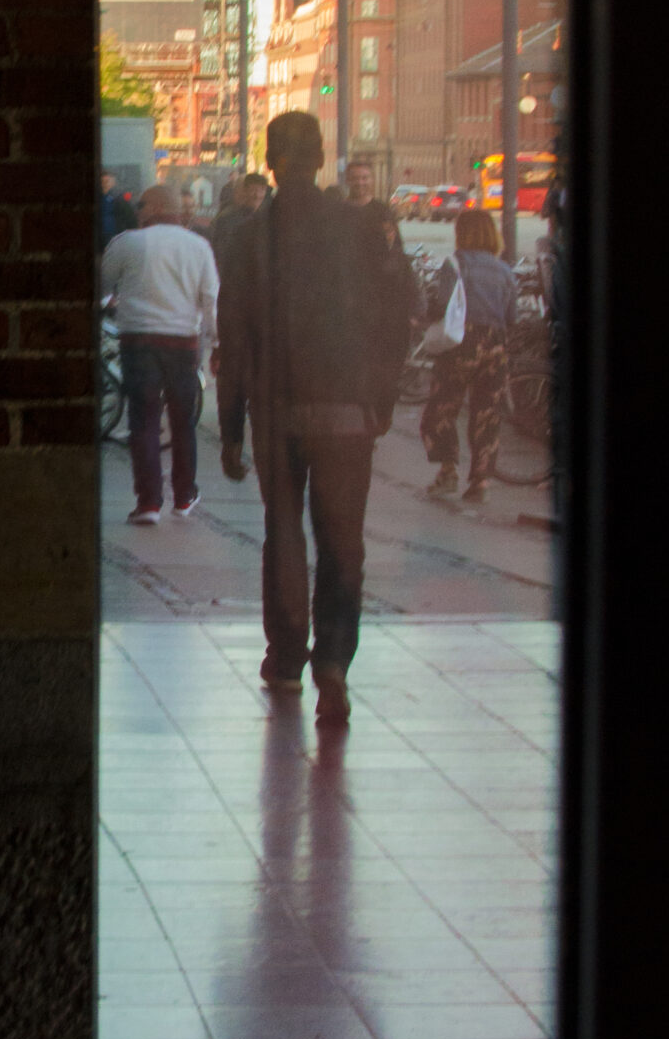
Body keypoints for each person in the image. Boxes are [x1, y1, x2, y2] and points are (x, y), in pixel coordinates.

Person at [215, 107, 409, 724]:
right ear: (323, 159)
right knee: (343, 539)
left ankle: (286, 657)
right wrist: (382, 396)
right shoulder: (364, 227)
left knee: (284, 533)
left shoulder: (248, 236)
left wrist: (230, 426)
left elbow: (233, 334)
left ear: (270, 163)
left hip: (276, 411)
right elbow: (399, 311)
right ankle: (333, 659)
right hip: (347, 409)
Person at [100, 182, 219, 526]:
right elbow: (210, 298)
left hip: (137, 341)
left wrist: (114, 300)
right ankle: (184, 496)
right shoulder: (199, 246)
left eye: (140, 205)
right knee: (183, 421)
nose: (136, 211)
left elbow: (105, 284)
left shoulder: (126, 243)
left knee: (143, 421)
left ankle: (148, 502)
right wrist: (217, 343)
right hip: (182, 342)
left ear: (152, 208)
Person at [420, 206, 517, 504]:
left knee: (440, 409)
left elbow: (443, 303)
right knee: (486, 414)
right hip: (496, 344)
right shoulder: (504, 270)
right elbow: (512, 316)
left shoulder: (455, 263)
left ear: (461, 233)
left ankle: (448, 469)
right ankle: (480, 481)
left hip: (463, 342)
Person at [209, 171, 269, 280]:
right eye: (253, 190)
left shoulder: (266, 219)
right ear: (244, 191)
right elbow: (221, 254)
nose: (257, 195)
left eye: (262, 190)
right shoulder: (227, 219)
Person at [99, 170, 136, 252]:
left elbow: (130, 219)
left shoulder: (120, 199)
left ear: (113, 183)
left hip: (116, 239)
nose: (104, 184)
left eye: (107, 181)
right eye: (102, 182)